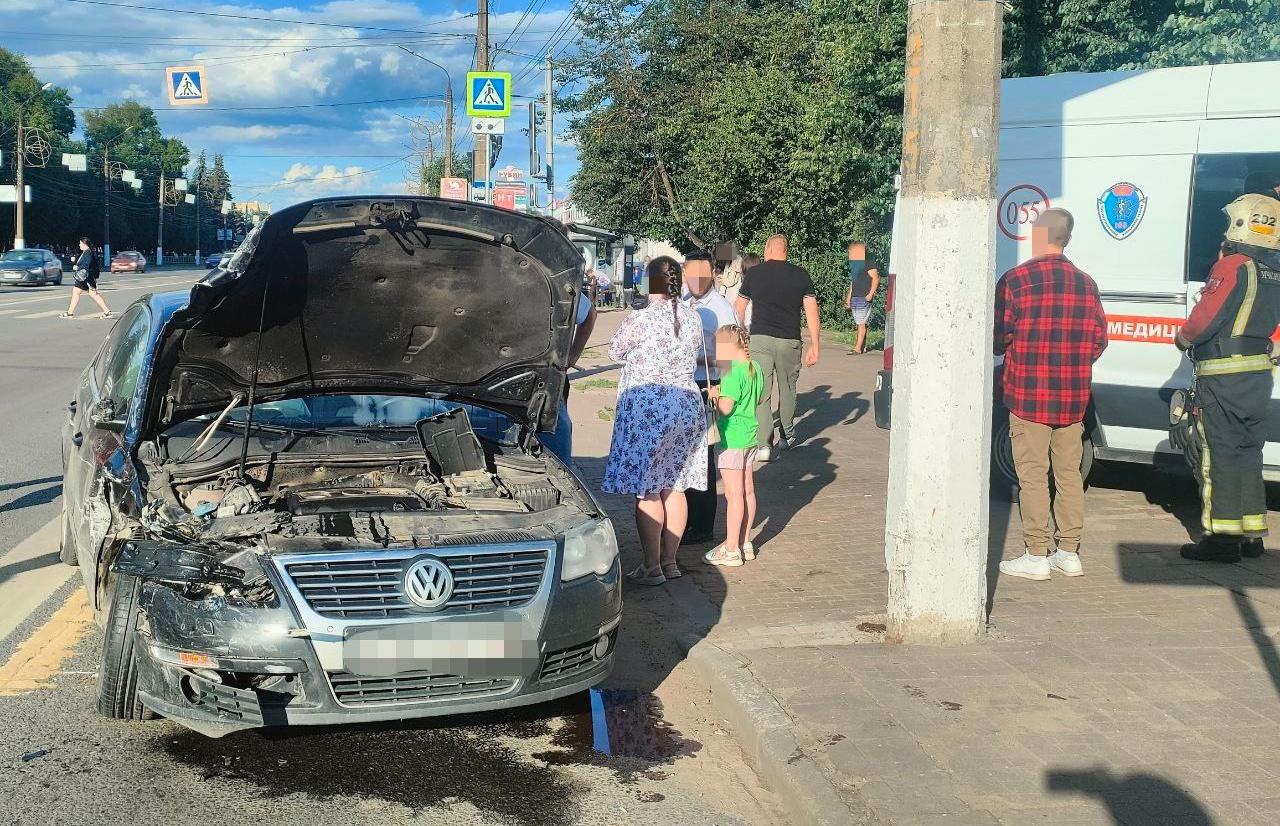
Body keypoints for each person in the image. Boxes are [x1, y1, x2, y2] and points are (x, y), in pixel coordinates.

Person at [996, 209, 1108, 582]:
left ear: (1037, 236)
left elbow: (999, 336)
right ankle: (1069, 552)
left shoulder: (1015, 280)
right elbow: (1098, 341)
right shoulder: (1087, 284)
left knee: (1031, 476)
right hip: (1073, 397)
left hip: (1028, 395)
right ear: (1067, 239)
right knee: (1069, 475)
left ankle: (1035, 554)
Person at [1177, 193, 1280, 562]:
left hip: (1223, 377)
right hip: (1258, 376)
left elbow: (1206, 317)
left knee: (1218, 455)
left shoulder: (1233, 266)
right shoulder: (1274, 270)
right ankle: (1252, 535)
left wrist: (1183, 337)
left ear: (1240, 223)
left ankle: (1221, 540)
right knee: (1249, 454)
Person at [603, 256, 707, 585]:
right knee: (674, 486)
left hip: (649, 410)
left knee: (648, 490)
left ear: (650, 283)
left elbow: (614, 352)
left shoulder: (640, 319)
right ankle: (670, 561)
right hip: (686, 406)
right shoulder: (693, 318)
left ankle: (651, 566)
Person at [733, 235, 819, 462]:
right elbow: (811, 311)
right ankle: (787, 435)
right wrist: (815, 344)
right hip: (790, 339)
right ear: (786, 251)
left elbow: (738, 308)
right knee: (788, 387)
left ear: (768, 249)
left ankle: (763, 444)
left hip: (760, 338)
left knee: (762, 390)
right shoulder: (801, 275)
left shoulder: (754, 274)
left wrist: (741, 336)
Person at [681, 249, 739, 545]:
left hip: (709, 384)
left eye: (701, 274)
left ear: (713, 273)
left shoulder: (721, 309)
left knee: (702, 456)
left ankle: (702, 526)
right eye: (690, 273)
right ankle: (687, 518)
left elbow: (732, 358)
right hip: (687, 384)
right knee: (688, 455)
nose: (695, 279)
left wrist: (706, 365)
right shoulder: (684, 302)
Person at [704, 324, 764, 567]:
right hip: (750, 436)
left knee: (733, 494)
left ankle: (730, 549)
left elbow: (726, 408)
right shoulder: (755, 367)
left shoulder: (731, 373)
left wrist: (715, 394)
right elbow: (760, 397)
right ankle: (745, 542)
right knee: (748, 491)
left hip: (732, 439)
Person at [541, 291, 597, 465]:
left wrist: (571, 357)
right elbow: (590, 314)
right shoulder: (548, 272)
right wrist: (572, 356)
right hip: (542, 380)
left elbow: (590, 314)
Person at [842, 242, 881, 354]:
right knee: (860, 322)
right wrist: (848, 298)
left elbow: (876, 278)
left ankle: (858, 348)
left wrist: (870, 294)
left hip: (863, 297)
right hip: (856, 296)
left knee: (860, 322)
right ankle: (861, 346)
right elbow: (853, 282)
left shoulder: (869, 264)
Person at [61, 237, 112, 319]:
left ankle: (107, 312)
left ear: (85, 244)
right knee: (79, 292)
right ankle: (70, 312)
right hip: (86, 277)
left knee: (90, 294)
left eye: (80, 243)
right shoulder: (86, 252)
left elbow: (87, 265)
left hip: (86, 278)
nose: (79, 245)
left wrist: (77, 268)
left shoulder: (88, 253)